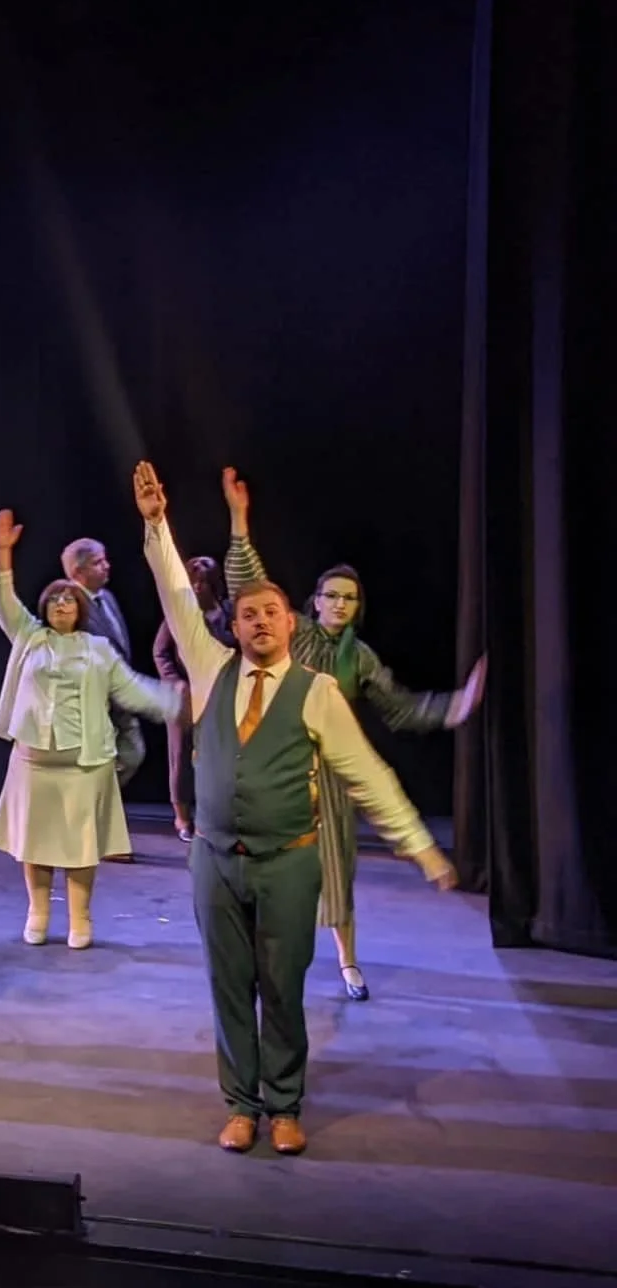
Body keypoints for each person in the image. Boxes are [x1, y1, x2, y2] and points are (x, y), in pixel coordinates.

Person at [135, 460, 456, 1156]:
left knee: (280, 986)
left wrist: (419, 845)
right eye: (246, 613)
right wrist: (157, 524)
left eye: (269, 612)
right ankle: (241, 1104)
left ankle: (283, 1104)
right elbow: (173, 594)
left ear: (291, 622)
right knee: (228, 985)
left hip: (287, 862)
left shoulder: (315, 690)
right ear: (237, 624)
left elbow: (368, 775)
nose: (256, 622)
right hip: (215, 861)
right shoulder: (211, 667)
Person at [221, 465, 485, 1000]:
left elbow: (402, 708)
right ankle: (259, 960)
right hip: (277, 770)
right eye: (332, 595)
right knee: (265, 873)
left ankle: (347, 962)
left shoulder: (357, 657)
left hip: (332, 777)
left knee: (336, 875)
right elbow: (248, 582)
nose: (340, 604)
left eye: (350, 598)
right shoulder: (288, 633)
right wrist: (239, 519)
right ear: (314, 601)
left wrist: (456, 707)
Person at [0, 510, 181, 947]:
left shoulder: (98, 650)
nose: (60, 605)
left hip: (83, 764)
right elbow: (2, 600)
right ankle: (37, 912)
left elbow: (134, 691)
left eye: (68, 601)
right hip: (35, 761)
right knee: (34, 843)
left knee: (80, 846)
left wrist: (179, 703)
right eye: (54, 600)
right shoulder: (29, 639)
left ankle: (80, 918)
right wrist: (2, 553)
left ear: (80, 610)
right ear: (44, 608)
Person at [154, 554, 236, 844]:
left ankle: (215, 815)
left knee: (218, 757)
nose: (199, 587)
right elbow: (161, 652)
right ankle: (182, 817)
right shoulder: (180, 613)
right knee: (180, 756)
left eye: (204, 582)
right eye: (194, 582)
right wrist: (175, 682)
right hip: (184, 696)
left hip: (221, 695)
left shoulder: (229, 612)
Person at [62, 535, 147, 811]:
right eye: (98, 563)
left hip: (120, 694)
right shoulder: (68, 606)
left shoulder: (106, 598)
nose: (107, 566)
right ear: (78, 571)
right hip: (93, 699)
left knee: (132, 753)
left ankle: (91, 805)